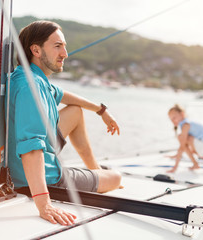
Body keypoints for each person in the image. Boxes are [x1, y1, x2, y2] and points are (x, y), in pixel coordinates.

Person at [6, 20, 122, 226]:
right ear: (36, 50)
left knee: (76, 111)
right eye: (58, 46)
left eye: (64, 46)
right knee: (116, 178)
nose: (65, 54)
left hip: (33, 164)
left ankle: (94, 169)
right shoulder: (30, 87)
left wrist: (101, 110)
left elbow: (64, 96)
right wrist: (44, 204)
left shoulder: (31, 77)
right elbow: (31, 148)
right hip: (49, 178)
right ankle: (100, 175)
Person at [167, 104, 203, 173]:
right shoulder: (190, 121)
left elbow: (182, 147)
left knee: (182, 138)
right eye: (171, 119)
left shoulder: (185, 124)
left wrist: (175, 167)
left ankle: (195, 164)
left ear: (182, 114)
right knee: (189, 143)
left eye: (174, 118)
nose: (172, 121)